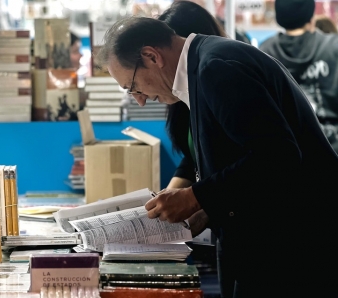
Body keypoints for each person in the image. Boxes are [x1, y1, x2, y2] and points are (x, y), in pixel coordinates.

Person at [96, 15, 338, 297]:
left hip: (296, 247)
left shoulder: (216, 68)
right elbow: (239, 156)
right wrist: (206, 210)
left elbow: (277, 157)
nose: (140, 99)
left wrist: (195, 196)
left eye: (133, 86)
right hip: (269, 241)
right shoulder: (204, 65)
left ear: (151, 56)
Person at [156, 2, 234, 297]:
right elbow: (192, 158)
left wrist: (195, 200)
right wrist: (166, 197)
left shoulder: (216, 73)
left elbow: (261, 159)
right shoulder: (179, 95)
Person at [260, 0, 338, 154]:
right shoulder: (333, 46)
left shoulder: (264, 52)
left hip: (288, 151)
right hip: (332, 147)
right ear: (311, 17)